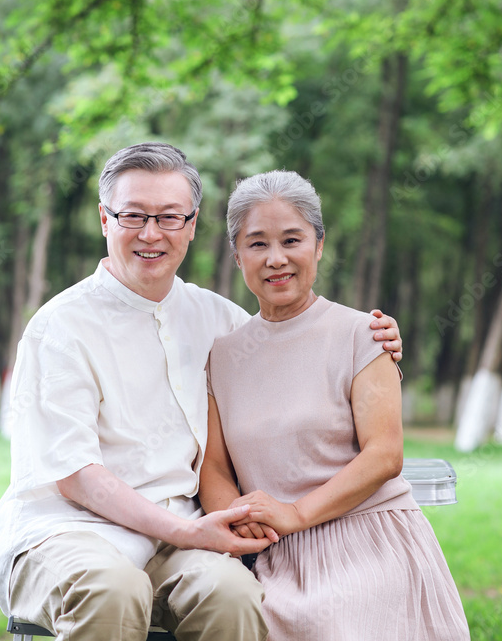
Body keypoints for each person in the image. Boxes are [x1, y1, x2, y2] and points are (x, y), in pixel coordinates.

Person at [0, 144, 403, 641]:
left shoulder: (219, 320)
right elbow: (77, 477)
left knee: (232, 594)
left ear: (191, 223)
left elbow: (299, 364)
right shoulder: (59, 327)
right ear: (104, 218)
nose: (150, 233)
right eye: (133, 216)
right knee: (113, 588)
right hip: (69, 533)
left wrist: (377, 347)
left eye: (168, 217)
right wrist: (188, 532)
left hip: (182, 541)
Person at [201, 170, 470, 641]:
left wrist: (298, 514)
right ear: (237, 255)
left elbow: (385, 455)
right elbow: (215, 467)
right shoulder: (222, 356)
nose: (276, 259)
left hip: (366, 542)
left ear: (319, 245)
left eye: (292, 239)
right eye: (257, 244)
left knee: (336, 621)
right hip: (274, 553)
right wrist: (237, 523)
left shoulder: (364, 335)